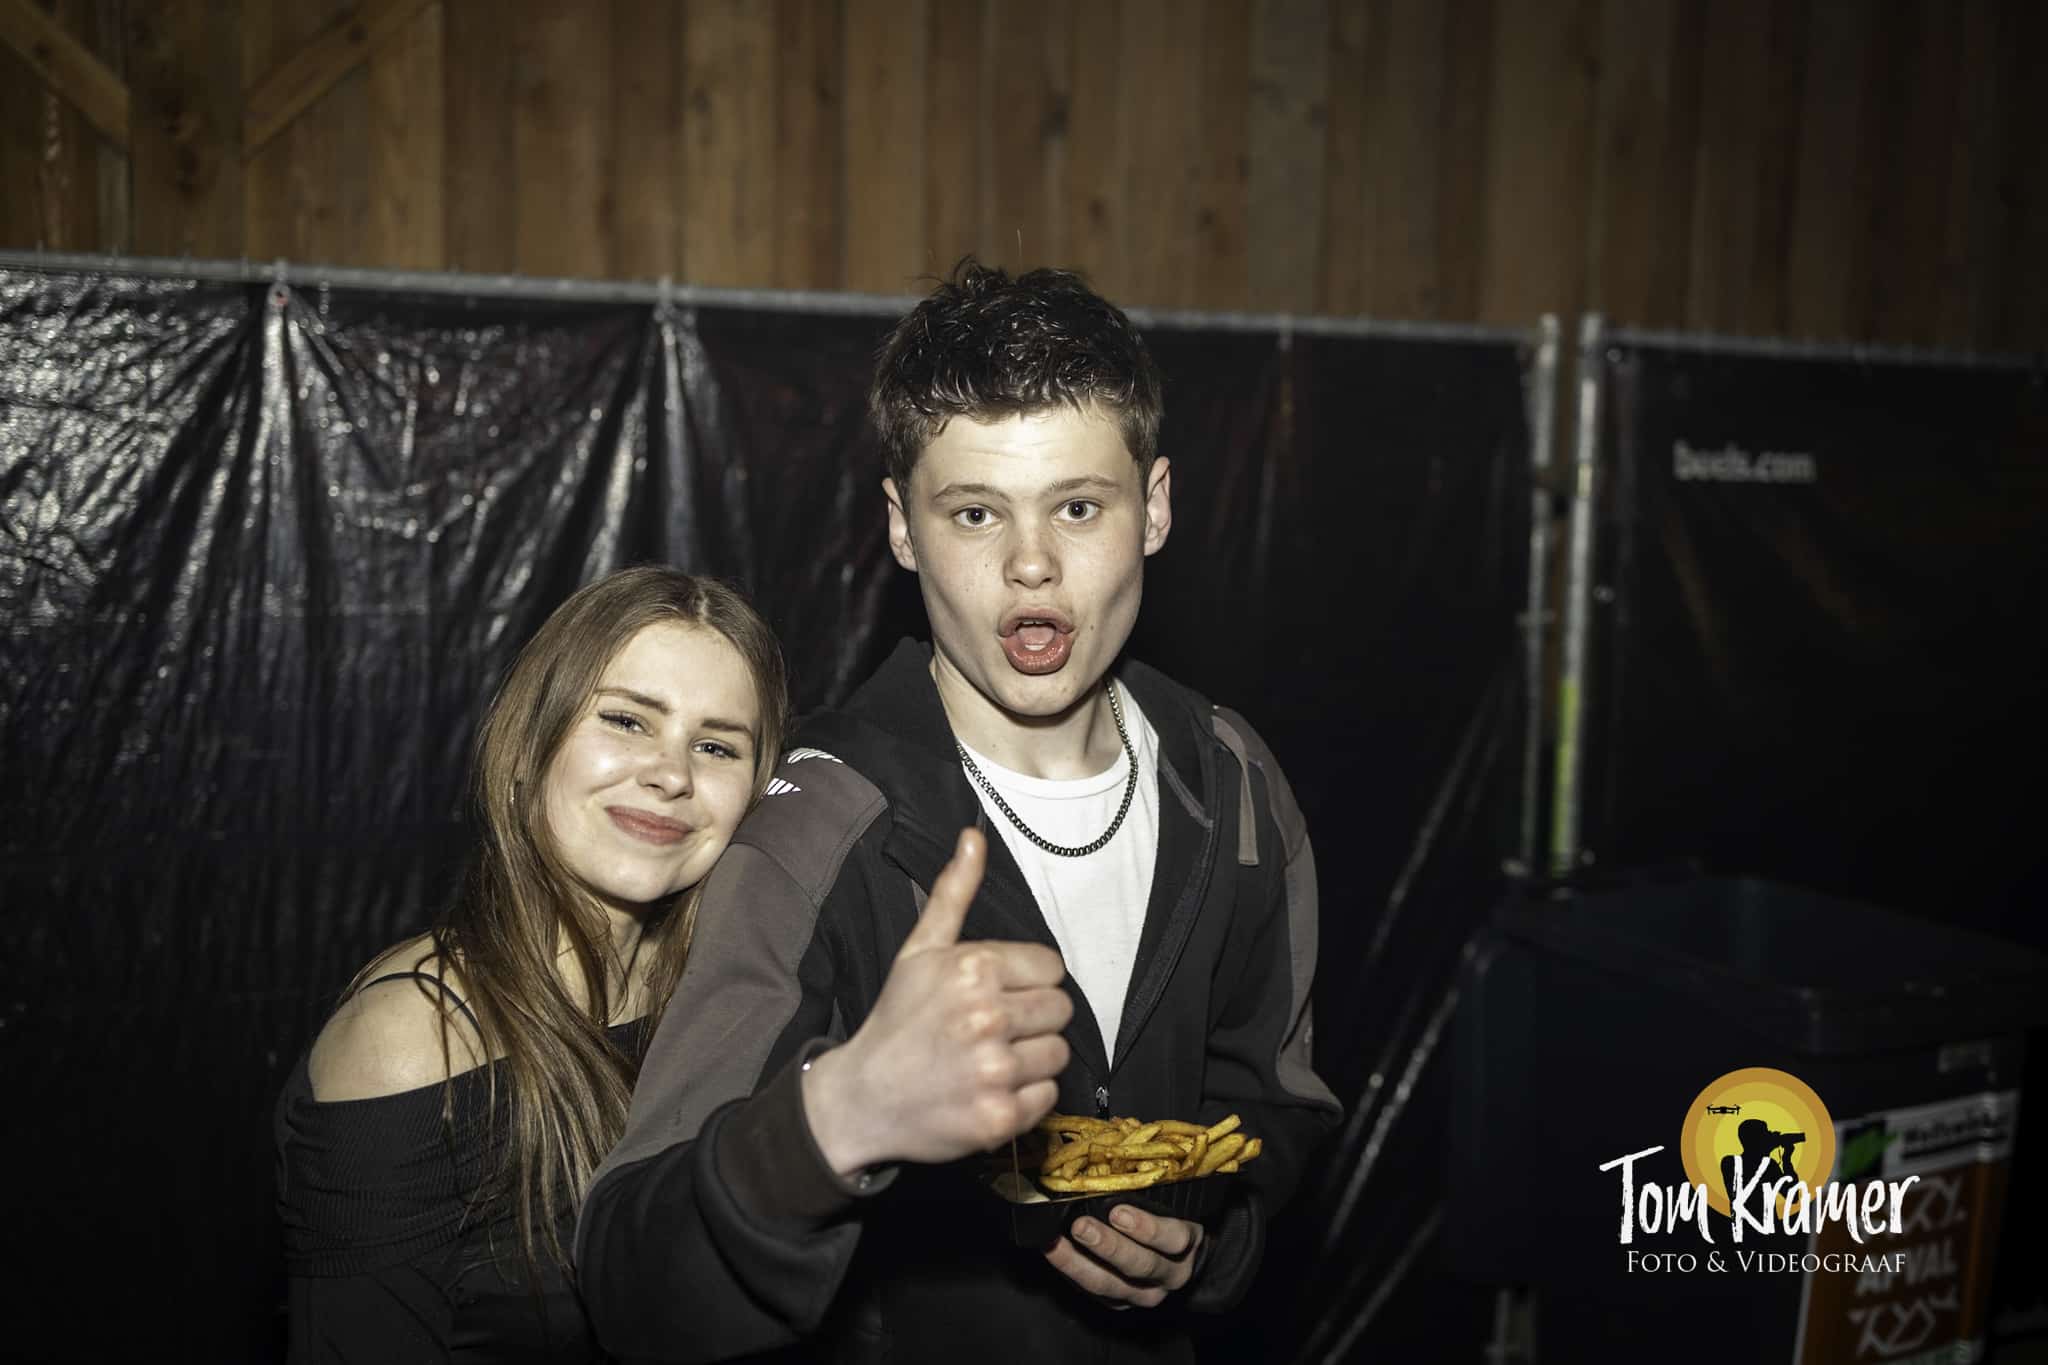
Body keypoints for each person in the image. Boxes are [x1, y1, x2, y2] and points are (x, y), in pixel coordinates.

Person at [577, 261, 1342, 1362]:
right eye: (975, 513)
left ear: (1156, 507)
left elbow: (1272, 1102)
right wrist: (839, 1114)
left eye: (1078, 507)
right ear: (902, 529)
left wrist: (1210, 1241)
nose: (1031, 564)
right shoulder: (818, 822)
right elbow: (628, 1281)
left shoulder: (1230, 780)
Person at [274, 567, 790, 1363]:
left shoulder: (733, 997)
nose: (671, 773)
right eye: (627, 720)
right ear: (529, 746)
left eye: (716, 745)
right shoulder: (413, 1042)